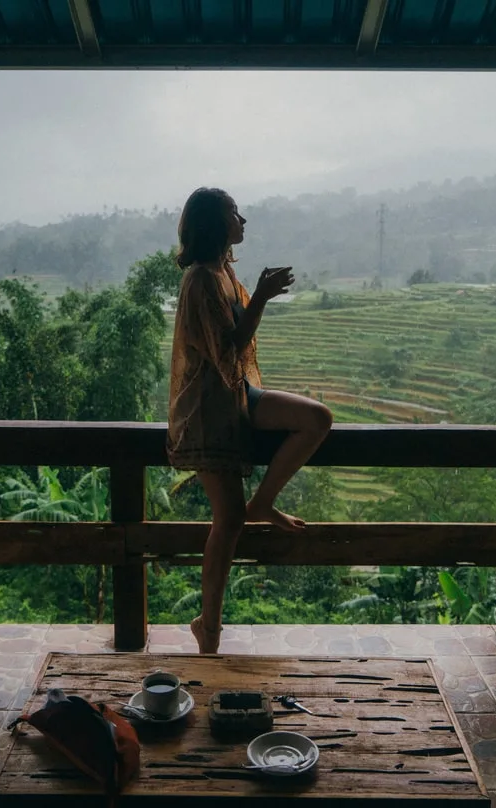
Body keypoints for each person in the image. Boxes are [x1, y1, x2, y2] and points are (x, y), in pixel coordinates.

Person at [167, 187, 333, 654]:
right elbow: (229, 348)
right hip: (207, 410)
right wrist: (260, 296)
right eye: (234, 214)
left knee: (316, 419)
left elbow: (235, 355)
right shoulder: (201, 280)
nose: (243, 221)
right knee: (228, 520)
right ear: (217, 226)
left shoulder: (223, 272)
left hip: (237, 395)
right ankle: (210, 628)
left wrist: (256, 293)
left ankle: (264, 502)